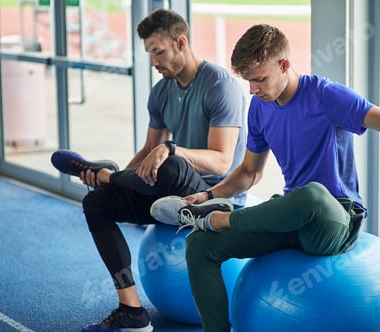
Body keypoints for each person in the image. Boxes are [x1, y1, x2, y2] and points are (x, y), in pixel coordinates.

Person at [150, 24, 380, 332]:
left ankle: (220, 219)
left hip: (335, 217)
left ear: (284, 65)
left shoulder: (326, 95)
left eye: (259, 80)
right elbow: (248, 172)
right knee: (199, 245)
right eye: (248, 82)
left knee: (311, 194)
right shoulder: (259, 108)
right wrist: (208, 196)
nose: (253, 91)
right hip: (292, 216)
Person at [50, 8, 246, 332]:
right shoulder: (161, 92)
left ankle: (106, 174)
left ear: (180, 42)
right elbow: (147, 151)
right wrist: (115, 189)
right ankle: (132, 311)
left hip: (215, 200)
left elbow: (223, 161)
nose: (154, 62)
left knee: (169, 162)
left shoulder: (219, 85)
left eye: (158, 51)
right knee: (96, 204)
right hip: (172, 202)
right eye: (149, 53)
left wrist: (169, 150)